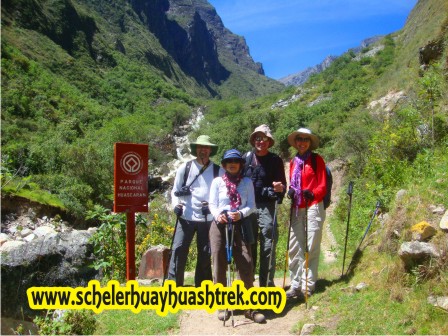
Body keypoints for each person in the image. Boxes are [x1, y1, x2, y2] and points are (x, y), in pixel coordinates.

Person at [209, 149, 266, 324]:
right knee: (218, 263)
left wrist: (240, 213)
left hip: (241, 224)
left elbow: (252, 205)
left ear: (241, 164)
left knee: (246, 262)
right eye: (229, 161)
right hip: (219, 225)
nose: (232, 163)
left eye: (236, 160)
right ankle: (222, 304)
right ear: (224, 165)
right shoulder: (217, 181)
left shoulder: (247, 182)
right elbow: (212, 203)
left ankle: (249, 307)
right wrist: (219, 214)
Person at [168, 135, 223, 287]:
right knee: (178, 249)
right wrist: (176, 206)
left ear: (210, 150)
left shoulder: (218, 171)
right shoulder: (184, 168)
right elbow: (175, 191)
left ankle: (203, 287)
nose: (203, 150)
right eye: (200, 147)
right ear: (195, 150)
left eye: (205, 147)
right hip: (186, 216)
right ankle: (173, 286)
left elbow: (223, 194)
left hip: (208, 217)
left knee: (205, 254)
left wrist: (213, 207)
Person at [285, 128, 327, 299]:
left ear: (310, 143)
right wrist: (291, 192)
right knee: (295, 247)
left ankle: (307, 286)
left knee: (311, 246)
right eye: (299, 139)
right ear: (295, 142)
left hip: (313, 205)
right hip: (297, 207)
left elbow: (322, 185)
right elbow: (293, 184)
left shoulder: (317, 160)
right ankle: (295, 284)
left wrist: (313, 193)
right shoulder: (293, 162)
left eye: (305, 139)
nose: (302, 142)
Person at [243, 125, 286, 287]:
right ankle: (248, 285)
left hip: (267, 207)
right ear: (254, 140)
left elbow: (283, 186)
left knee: (268, 244)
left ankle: (267, 285)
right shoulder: (245, 158)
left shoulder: (275, 160)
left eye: (264, 138)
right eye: (258, 138)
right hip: (247, 207)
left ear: (269, 141)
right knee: (248, 245)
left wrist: (279, 189)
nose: (261, 141)